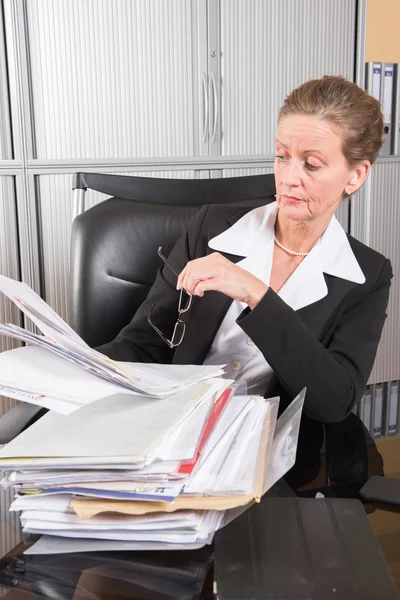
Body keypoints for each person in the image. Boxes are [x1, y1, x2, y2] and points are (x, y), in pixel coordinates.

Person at [98, 75, 392, 490]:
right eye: (281, 156)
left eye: (311, 164)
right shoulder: (210, 227)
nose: (289, 177)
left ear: (355, 176)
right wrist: (81, 368)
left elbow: (334, 400)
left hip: (266, 462)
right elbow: (147, 340)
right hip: (167, 432)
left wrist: (257, 294)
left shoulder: (367, 275)